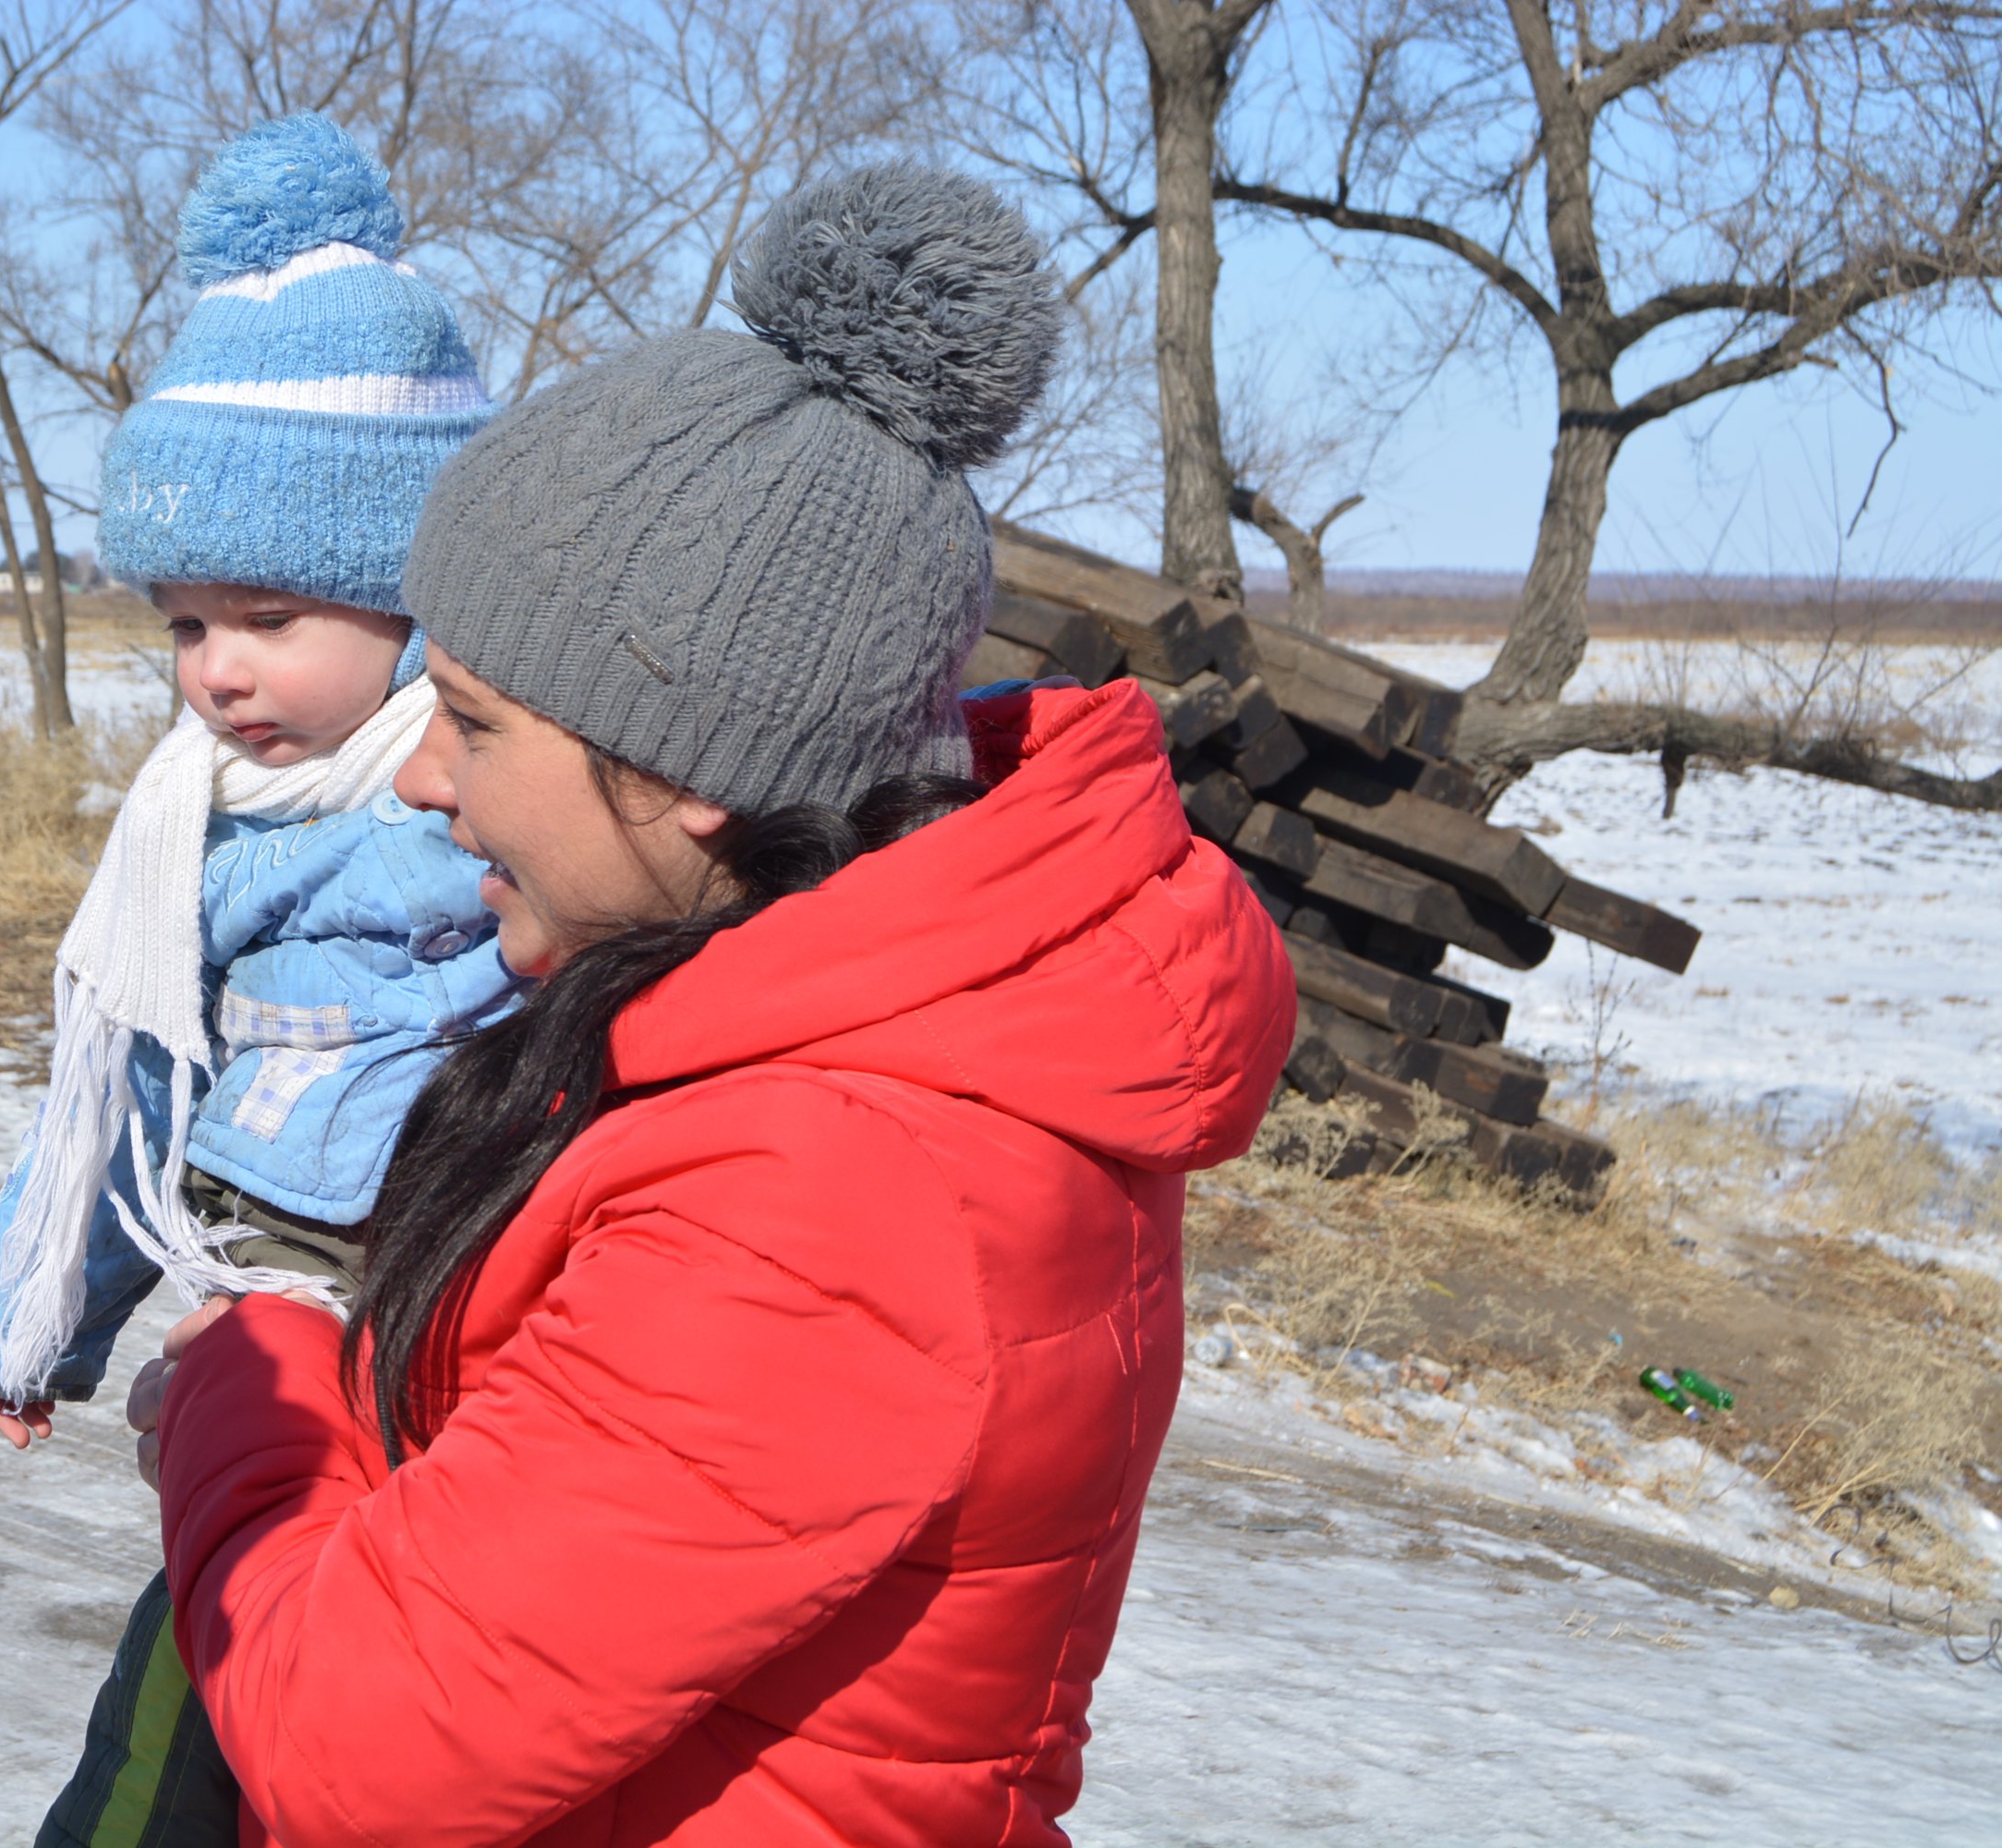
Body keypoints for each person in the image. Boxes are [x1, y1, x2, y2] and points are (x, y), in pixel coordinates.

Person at [127, 162, 1295, 1845]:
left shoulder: (833, 1192)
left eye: (472, 719)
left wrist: (254, 1367)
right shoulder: (804, 1045)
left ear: (689, 778)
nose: (424, 782)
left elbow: (358, 1748)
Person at [0, 116, 513, 1435]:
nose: (215, 674)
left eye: (267, 619)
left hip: (480, 1326)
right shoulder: (198, 825)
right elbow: (133, 1089)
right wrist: (24, 1325)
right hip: (269, 1317)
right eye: (187, 626)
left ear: (413, 604)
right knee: (215, 1637)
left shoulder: (525, 800)